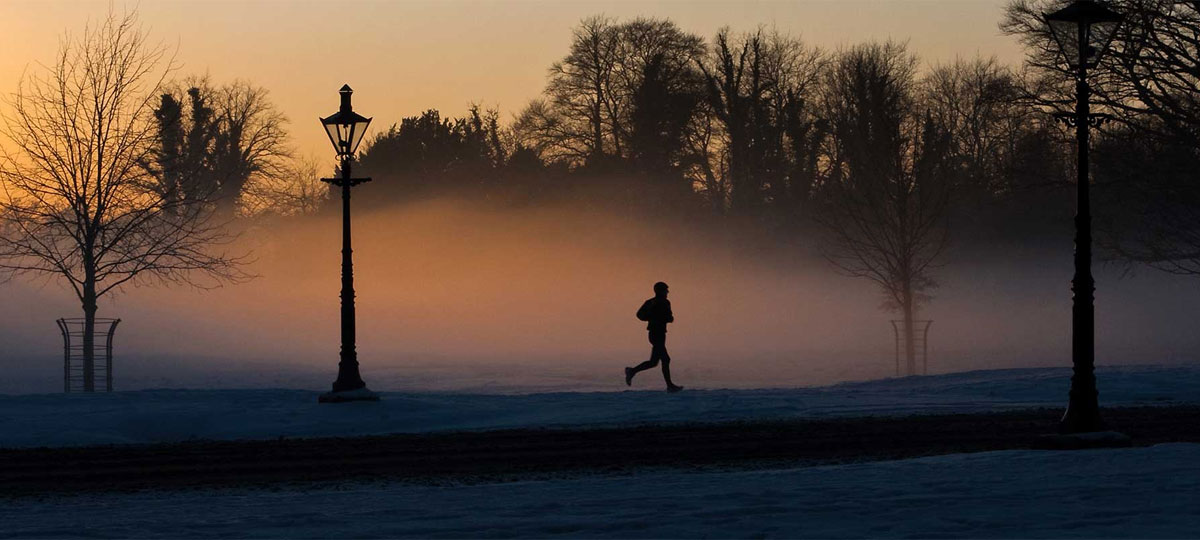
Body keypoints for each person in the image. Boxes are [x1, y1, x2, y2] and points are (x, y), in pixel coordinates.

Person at [625, 281, 683, 392]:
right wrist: (652, 317)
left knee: (653, 362)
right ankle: (670, 386)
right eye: (666, 290)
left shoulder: (665, 302)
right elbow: (639, 315)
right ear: (660, 291)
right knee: (665, 359)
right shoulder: (651, 302)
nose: (667, 292)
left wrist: (664, 318)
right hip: (655, 333)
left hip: (661, 333)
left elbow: (670, 317)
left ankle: (632, 371)